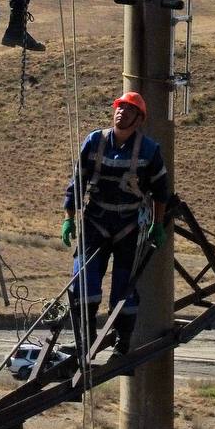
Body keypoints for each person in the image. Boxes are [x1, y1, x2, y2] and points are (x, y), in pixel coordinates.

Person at [61, 91, 170, 356]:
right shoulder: (95, 141)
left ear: (139, 119)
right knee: (83, 281)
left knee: (125, 287)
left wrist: (157, 225)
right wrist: (69, 219)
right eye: (119, 108)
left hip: (128, 227)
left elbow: (161, 192)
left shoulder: (149, 150)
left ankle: (122, 341)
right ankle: (85, 339)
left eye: (129, 110)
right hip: (95, 223)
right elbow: (77, 183)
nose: (121, 112)